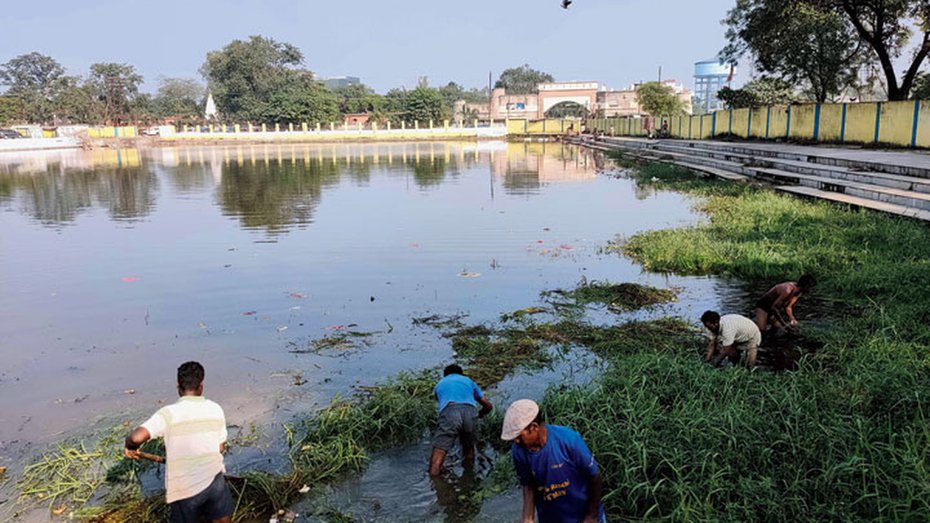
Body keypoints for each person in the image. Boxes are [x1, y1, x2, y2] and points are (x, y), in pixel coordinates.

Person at [124, 361, 232, 523]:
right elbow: (220, 447)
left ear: (178, 387)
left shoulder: (168, 414)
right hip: (214, 482)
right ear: (201, 386)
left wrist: (129, 446)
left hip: (184, 489)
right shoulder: (215, 409)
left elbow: (136, 437)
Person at [501, 399, 605, 523]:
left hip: (582, 514)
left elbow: (595, 477)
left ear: (533, 427)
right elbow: (528, 485)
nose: (516, 442)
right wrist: (528, 518)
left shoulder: (569, 440)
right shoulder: (519, 452)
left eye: (519, 437)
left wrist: (591, 516)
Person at [429, 364, 493, 476]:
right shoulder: (468, 381)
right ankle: (468, 479)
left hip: (450, 411)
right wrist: (480, 415)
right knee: (469, 449)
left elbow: (440, 405)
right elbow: (488, 406)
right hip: (470, 412)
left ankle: (434, 483)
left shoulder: (440, 384)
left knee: (439, 452)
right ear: (461, 374)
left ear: (446, 375)